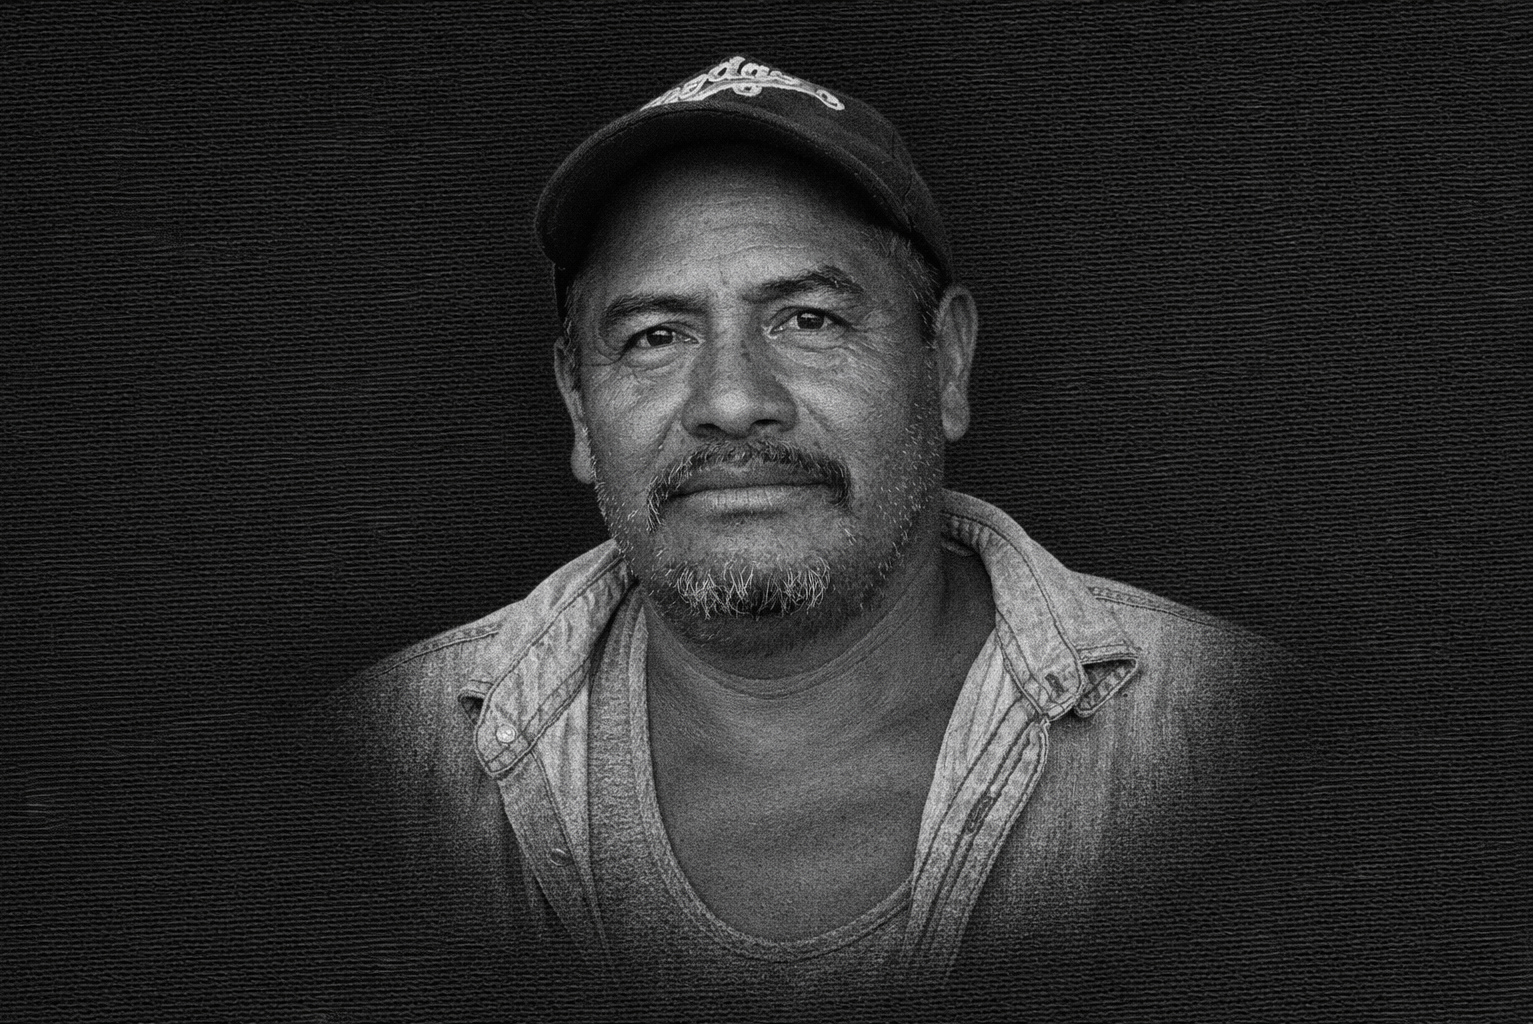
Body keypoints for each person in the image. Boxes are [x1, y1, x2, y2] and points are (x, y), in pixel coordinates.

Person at [334, 55, 1285, 1006]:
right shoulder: (382, 768)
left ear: (945, 364)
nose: (734, 401)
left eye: (807, 319)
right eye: (657, 336)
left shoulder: (1235, 739)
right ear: (580, 408)